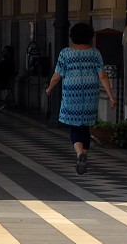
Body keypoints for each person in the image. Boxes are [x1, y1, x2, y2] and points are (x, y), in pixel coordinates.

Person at [46, 22, 118, 175]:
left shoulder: (65, 53)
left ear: (72, 36)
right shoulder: (95, 53)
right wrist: (111, 96)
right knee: (85, 125)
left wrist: (50, 88)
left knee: (74, 126)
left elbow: (57, 75)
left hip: (71, 93)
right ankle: (84, 154)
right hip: (90, 94)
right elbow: (103, 75)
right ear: (89, 36)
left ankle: (80, 154)